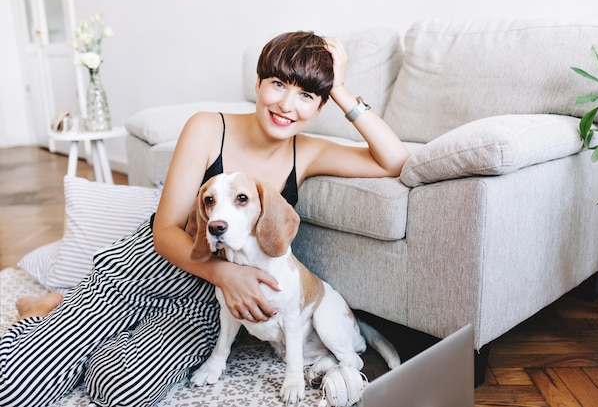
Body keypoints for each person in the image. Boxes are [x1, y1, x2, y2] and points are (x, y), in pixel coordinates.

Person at [0, 31, 410, 407]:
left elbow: (395, 160)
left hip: (203, 305)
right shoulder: (206, 128)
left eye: (307, 95)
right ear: (259, 83)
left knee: (120, 387)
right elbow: (164, 230)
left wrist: (339, 88)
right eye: (279, 84)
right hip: (147, 271)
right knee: (15, 381)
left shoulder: (309, 152)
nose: (287, 104)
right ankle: (56, 310)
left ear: (320, 106)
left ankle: (81, 328)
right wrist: (227, 276)